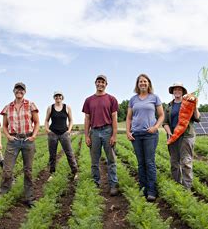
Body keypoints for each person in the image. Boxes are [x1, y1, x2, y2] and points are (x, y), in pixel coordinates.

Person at [0, 82, 40, 207]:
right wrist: (7, 136)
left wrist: (33, 136)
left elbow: (37, 123)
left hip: (28, 140)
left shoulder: (30, 105)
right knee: (7, 170)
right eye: (17, 89)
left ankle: (29, 198)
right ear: (13, 91)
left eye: (22, 90)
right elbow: (4, 126)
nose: (19, 91)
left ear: (25, 92)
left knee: (28, 171)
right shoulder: (8, 107)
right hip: (14, 141)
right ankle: (3, 194)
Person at [126, 74, 164, 202]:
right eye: (140, 81)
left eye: (145, 81)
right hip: (136, 135)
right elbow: (129, 118)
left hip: (150, 134)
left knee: (149, 162)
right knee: (141, 163)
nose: (142, 83)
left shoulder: (155, 98)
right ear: (137, 84)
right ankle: (143, 189)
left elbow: (161, 115)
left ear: (149, 83)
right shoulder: (133, 99)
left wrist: (156, 127)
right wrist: (128, 131)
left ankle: (152, 190)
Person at [82, 74, 119, 196]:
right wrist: (87, 135)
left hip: (107, 130)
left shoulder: (111, 99)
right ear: (95, 83)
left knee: (111, 160)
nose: (100, 84)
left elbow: (114, 118)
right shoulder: (88, 100)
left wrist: (114, 135)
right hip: (95, 132)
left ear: (106, 84)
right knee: (94, 161)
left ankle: (113, 184)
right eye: (98, 82)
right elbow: (87, 119)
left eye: (103, 82)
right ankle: (96, 183)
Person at [162, 82, 200, 190]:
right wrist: (169, 133)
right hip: (173, 136)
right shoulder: (169, 106)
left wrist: (195, 106)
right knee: (174, 162)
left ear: (183, 92)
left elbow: (197, 118)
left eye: (179, 89)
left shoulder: (188, 103)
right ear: (172, 92)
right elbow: (165, 123)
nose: (177, 91)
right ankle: (176, 185)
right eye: (175, 89)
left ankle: (187, 188)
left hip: (186, 136)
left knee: (186, 162)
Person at [44, 91, 78, 181]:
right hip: (53, 134)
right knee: (52, 155)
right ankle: (52, 173)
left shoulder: (67, 107)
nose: (58, 97)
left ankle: (75, 172)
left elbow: (71, 120)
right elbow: (46, 120)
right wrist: (48, 130)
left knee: (69, 153)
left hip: (64, 133)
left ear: (62, 97)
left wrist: (69, 130)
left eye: (59, 96)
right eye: (56, 96)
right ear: (54, 97)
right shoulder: (50, 108)